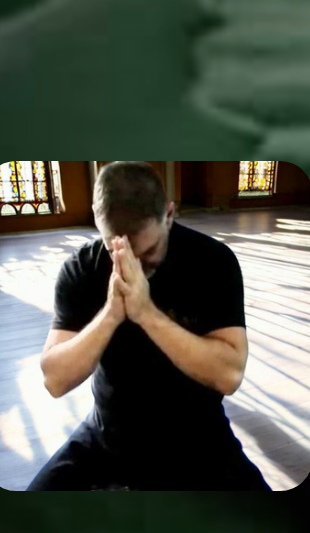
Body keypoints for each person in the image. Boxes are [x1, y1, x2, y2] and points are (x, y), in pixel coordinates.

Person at [27, 161, 268, 490]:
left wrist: (146, 314)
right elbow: (54, 380)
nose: (134, 267)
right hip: (107, 436)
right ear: (97, 221)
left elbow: (229, 374)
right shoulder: (81, 269)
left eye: (148, 250)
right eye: (115, 249)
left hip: (198, 438)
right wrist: (111, 314)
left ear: (169, 214)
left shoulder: (212, 261)